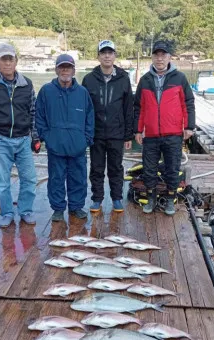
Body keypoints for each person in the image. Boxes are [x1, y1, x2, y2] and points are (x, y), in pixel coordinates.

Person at [0, 43, 40, 228]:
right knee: (3, 182)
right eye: (3, 59)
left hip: (23, 139)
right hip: (1, 139)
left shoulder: (26, 84)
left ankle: (26, 210)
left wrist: (35, 138)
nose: (7, 63)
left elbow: (33, 112)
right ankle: (7, 213)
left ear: (16, 61)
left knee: (29, 179)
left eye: (10, 59)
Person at [133, 40, 195, 215]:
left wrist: (189, 126)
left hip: (173, 133)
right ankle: (151, 199)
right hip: (151, 134)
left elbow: (188, 103)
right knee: (149, 169)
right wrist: (138, 130)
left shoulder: (180, 78)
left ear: (169, 57)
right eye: (156, 55)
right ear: (152, 57)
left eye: (163, 55)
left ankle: (170, 200)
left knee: (172, 168)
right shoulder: (144, 80)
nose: (160, 58)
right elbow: (138, 107)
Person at [36, 54, 94, 222]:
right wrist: (46, 136)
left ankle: (76, 207)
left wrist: (87, 139)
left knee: (78, 178)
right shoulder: (46, 91)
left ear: (74, 70)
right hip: (56, 146)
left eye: (68, 67)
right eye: (62, 67)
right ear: (56, 70)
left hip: (78, 146)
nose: (65, 71)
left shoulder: (82, 93)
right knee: (56, 178)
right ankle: (58, 208)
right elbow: (39, 116)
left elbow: (90, 117)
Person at [82, 40, 133, 213]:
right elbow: (84, 109)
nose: (106, 55)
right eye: (103, 52)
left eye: (110, 52)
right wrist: (86, 132)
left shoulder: (124, 78)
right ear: (98, 56)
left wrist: (128, 135)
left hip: (117, 133)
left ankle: (117, 198)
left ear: (115, 56)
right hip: (96, 133)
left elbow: (128, 108)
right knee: (96, 167)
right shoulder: (88, 79)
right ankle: (97, 198)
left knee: (116, 167)